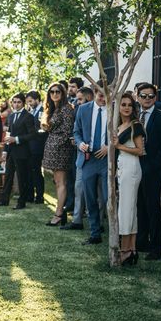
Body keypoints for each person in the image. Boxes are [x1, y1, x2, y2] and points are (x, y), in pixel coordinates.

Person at [135, 83, 161, 260]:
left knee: (153, 208)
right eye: (143, 95)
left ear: (155, 98)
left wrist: (152, 165)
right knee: (139, 205)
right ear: (137, 97)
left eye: (150, 96)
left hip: (153, 169)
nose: (147, 99)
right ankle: (141, 241)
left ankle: (156, 248)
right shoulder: (133, 116)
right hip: (135, 166)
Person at [111, 92, 145, 265]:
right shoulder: (118, 126)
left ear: (133, 108)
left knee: (126, 210)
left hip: (132, 167)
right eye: (123, 104)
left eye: (129, 105)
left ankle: (125, 250)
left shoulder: (135, 126)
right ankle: (131, 250)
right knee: (128, 209)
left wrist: (120, 146)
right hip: (122, 167)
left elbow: (141, 151)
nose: (126, 107)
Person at [73, 82, 109, 244]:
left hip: (107, 160)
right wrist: (80, 144)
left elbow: (123, 131)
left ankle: (117, 235)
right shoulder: (83, 109)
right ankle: (95, 234)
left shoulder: (115, 109)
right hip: (88, 159)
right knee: (90, 198)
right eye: (101, 95)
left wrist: (110, 147)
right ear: (94, 93)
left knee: (109, 198)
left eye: (107, 94)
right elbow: (77, 131)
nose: (104, 98)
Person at [0, 93, 37, 210]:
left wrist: (16, 139)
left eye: (19, 102)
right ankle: (4, 200)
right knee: (8, 176)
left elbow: (32, 134)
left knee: (22, 177)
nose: (16, 104)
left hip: (23, 152)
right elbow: (8, 135)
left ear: (23, 103)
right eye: (14, 102)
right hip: (11, 151)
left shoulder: (28, 116)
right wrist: (5, 151)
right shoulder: (11, 116)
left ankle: (21, 202)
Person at [42, 83, 76, 225]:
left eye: (58, 91)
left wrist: (56, 143)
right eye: (52, 92)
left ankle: (59, 214)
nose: (55, 94)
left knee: (61, 182)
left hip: (61, 148)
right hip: (53, 147)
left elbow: (68, 130)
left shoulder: (67, 108)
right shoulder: (54, 109)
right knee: (57, 181)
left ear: (63, 93)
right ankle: (60, 211)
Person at [62, 87, 94, 231]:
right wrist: (78, 141)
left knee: (98, 193)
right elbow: (76, 131)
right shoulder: (80, 111)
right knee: (78, 188)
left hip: (100, 157)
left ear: (89, 98)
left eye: (80, 99)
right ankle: (77, 220)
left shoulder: (104, 112)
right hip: (82, 157)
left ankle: (97, 224)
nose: (77, 102)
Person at [26, 90, 46, 204]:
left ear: (37, 99)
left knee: (37, 171)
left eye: (31, 101)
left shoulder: (43, 111)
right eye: (28, 101)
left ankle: (39, 196)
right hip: (30, 145)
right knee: (31, 170)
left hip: (38, 145)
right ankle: (30, 194)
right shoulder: (31, 110)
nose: (29, 103)